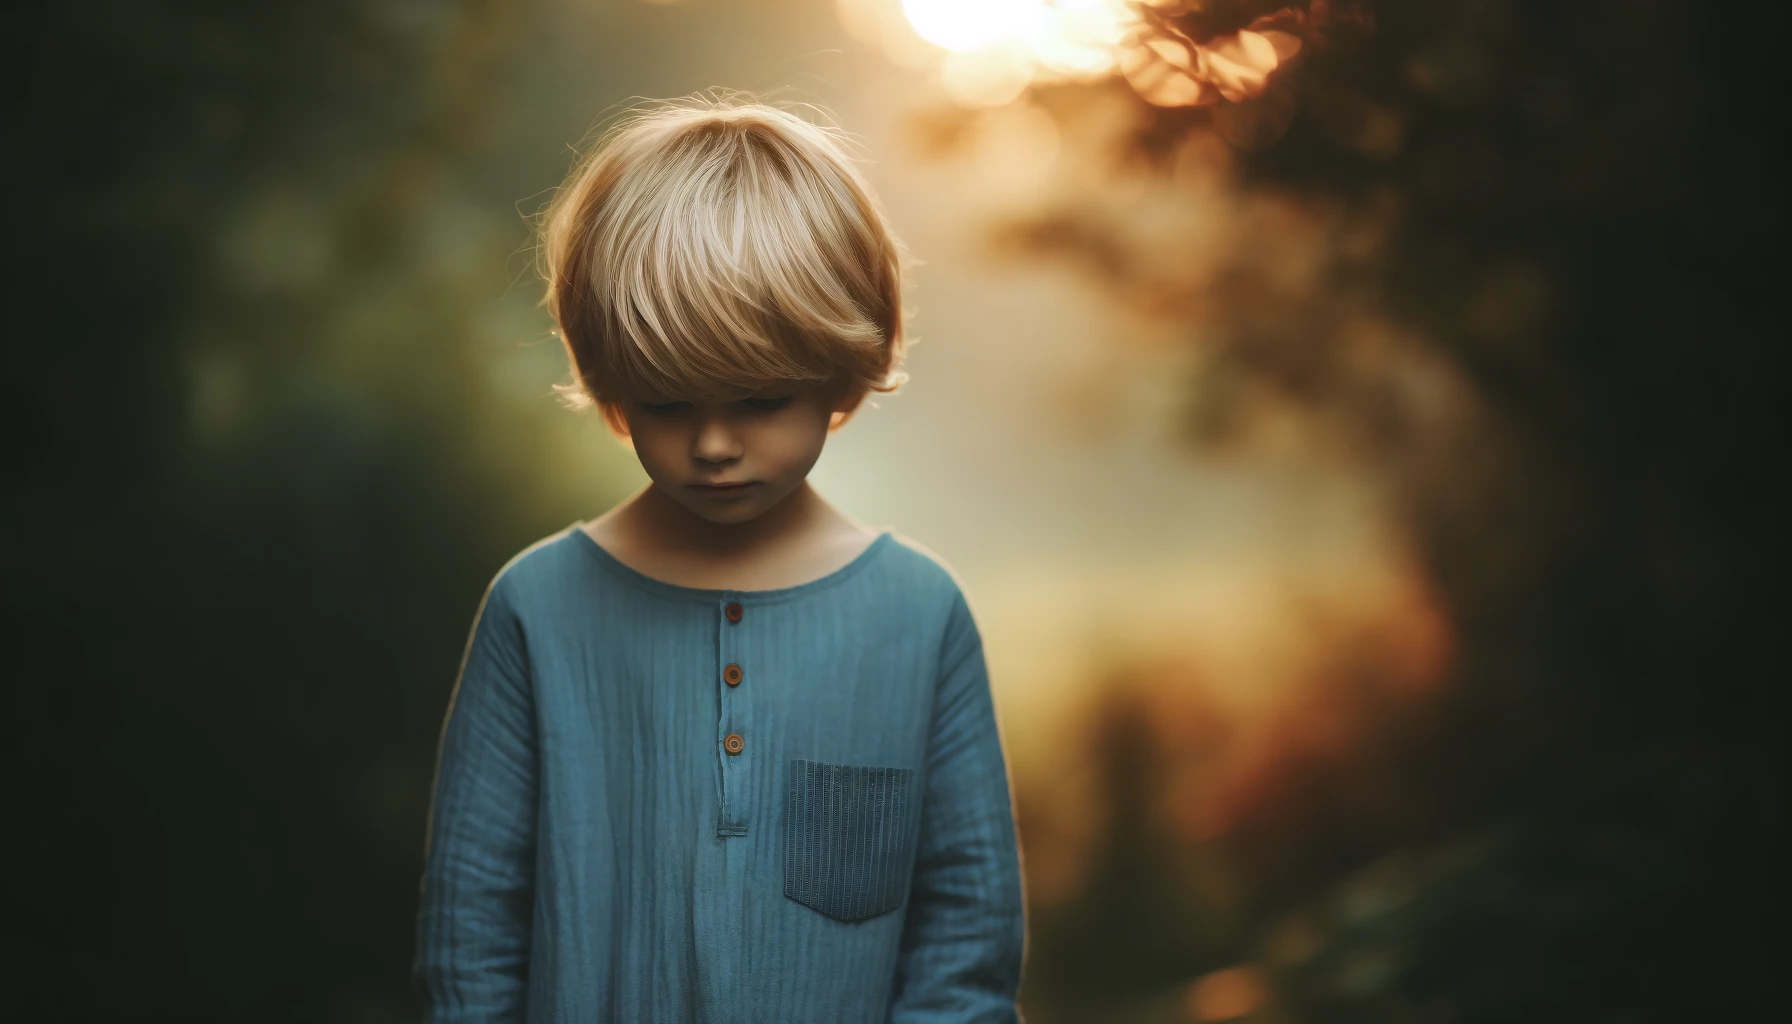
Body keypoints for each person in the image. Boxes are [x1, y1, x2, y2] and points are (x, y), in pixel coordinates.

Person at [412, 94, 1027, 1023]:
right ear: (611, 383)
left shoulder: (919, 613)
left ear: (840, 373)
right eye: (667, 403)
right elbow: (470, 939)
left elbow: (966, 942)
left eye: (758, 399)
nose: (712, 444)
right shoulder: (535, 610)